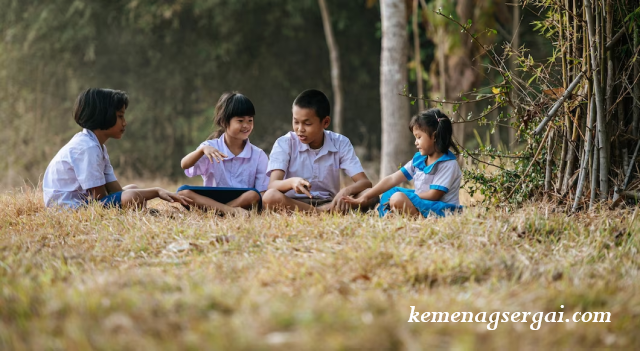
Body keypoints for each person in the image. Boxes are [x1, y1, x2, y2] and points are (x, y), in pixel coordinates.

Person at [43, 88, 190, 209]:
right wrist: (156, 191)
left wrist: (136, 197)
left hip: (85, 202)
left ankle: (140, 212)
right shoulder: (87, 148)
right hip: (67, 208)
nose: (125, 123)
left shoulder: (97, 146)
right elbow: (100, 198)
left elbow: (115, 191)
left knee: (132, 189)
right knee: (131, 196)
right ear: (103, 116)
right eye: (120, 116)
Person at [262, 89, 377, 213]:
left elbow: (364, 182)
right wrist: (291, 182)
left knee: (371, 195)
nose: (300, 129)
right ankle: (320, 213)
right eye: (296, 122)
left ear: (325, 122)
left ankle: (319, 211)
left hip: (329, 203)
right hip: (294, 203)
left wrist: (345, 191)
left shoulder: (340, 143)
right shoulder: (284, 143)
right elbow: (272, 185)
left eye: (307, 123)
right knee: (270, 197)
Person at [345, 108, 463, 217]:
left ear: (434, 136)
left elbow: (434, 195)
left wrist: (406, 198)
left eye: (419, 137)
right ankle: (389, 215)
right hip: (421, 203)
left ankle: (418, 219)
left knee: (397, 198)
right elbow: (392, 179)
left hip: (442, 209)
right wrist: (365, 197)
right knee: (390, 192)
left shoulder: (448, 164)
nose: (415, 142)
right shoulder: (419, 159)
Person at [178, 92, 268, 215]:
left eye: (250, 120)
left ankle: (218, 212)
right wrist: (201, 150)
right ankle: (229, 211)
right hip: (211, 200)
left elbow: (261, 193)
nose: (246, 126)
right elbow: (184, 165)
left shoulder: (258, 155)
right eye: (240, 120)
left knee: (254, 195)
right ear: (225, 122)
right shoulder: (209, 147)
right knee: (183, 193)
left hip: (242, 202)